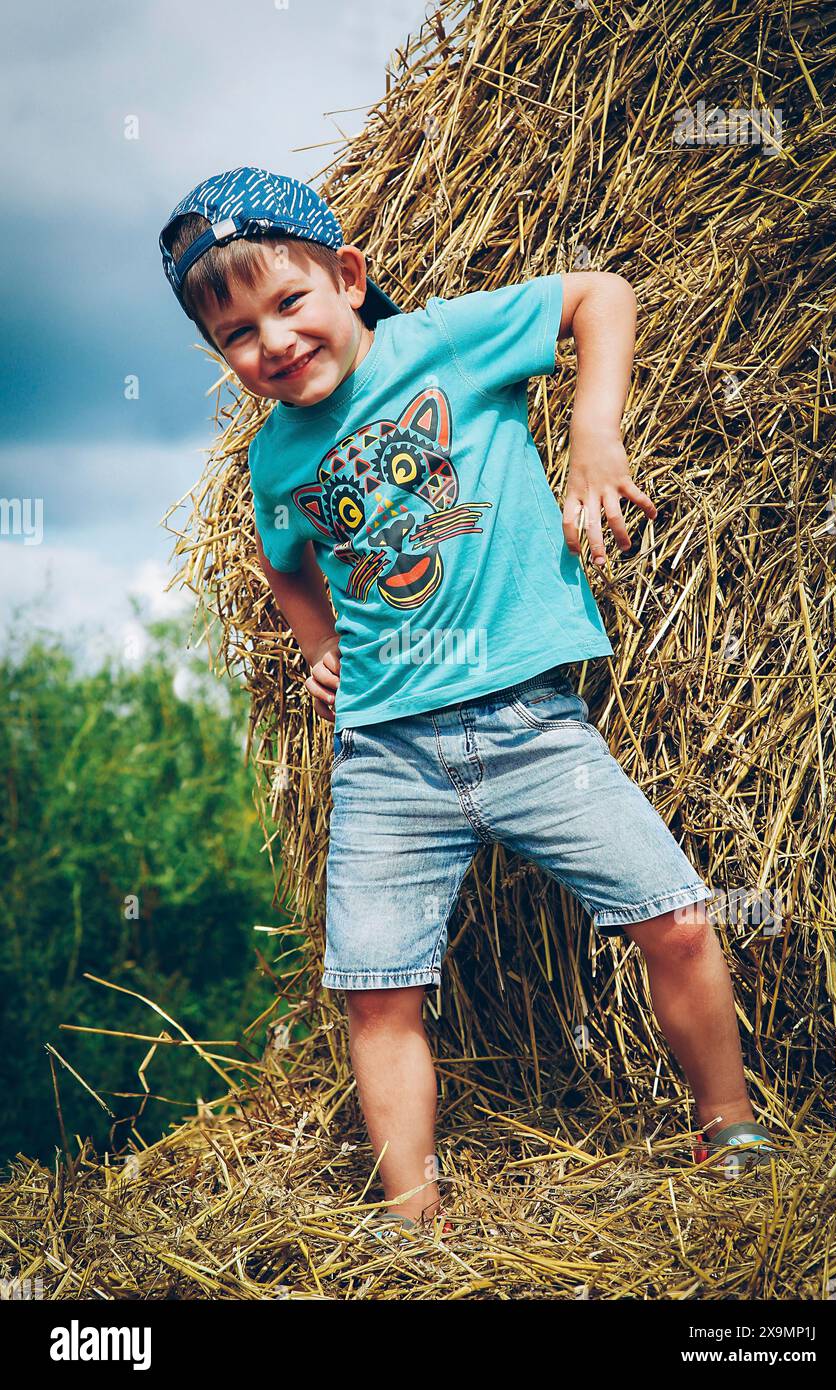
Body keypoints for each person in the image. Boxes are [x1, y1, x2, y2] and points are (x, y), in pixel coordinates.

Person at [159, 166, 778, 1231]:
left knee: (673, 920)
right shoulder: (273, 458)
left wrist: (594, 431)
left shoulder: (442, 344)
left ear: (348, 278)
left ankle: (727, 1126)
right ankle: (414, 1220)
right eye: (236, 335)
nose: (270, 341)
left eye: (288, 301)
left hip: (531, 724)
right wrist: (315, 644)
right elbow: (285, 562)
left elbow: (602, 294)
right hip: (385, 753)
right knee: (374, 990)